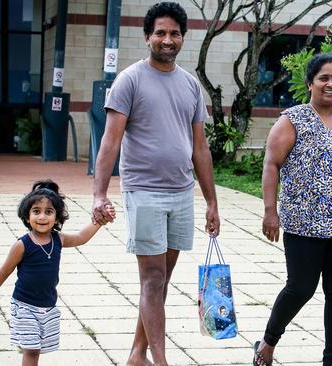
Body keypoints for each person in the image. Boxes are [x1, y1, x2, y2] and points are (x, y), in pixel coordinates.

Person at [91, 2, 220, 365]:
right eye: (160, 33)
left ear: (182, 38)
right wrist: (99, 193)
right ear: (148, 37)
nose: (167, 39)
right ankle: (159, 360)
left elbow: (200, 147)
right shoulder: (129, 80)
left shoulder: (191, 86)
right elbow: (110, 141)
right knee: (152, 277)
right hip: (143, 191)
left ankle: (137, 354)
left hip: (181, 193)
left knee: (160, 281)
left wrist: (211, 201)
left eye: (174, 33)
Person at [255, 53, 332, 366]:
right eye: (323, 78)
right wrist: (271, 210)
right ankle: (268, 343)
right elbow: (271, 164)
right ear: (310, 83)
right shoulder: (292, 119)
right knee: (300, 288)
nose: (330, 84)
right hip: (302, 225)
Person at [0, 180, 115, 366]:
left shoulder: (58, 239)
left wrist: (100, 221)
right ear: (27, 215)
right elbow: (5, 269)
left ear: (57, 217)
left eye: (49, 212)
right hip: (24, 306)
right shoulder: (22, 244)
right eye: (36, 211)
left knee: (37, 350)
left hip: (47, 306)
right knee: (31, 350)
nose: (42, 217)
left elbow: (81, 237)